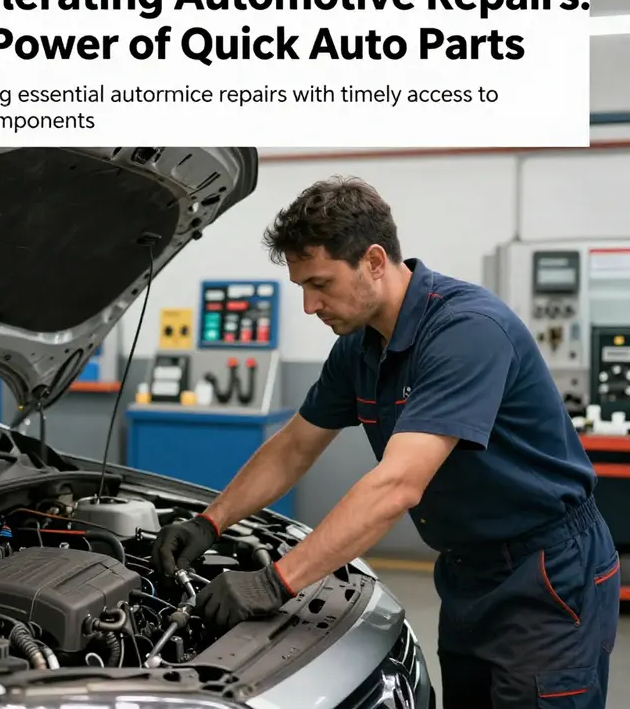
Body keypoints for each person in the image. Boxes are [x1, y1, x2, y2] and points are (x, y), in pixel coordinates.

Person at [150, 176, 620, 709]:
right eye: (302, 286)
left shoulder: (466, 331)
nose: (309, 305)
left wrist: (276, 581)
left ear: (374, 260)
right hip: (467, 570)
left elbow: (397, 485)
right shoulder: (360, 347)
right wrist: (210, 521)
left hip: (546, 574)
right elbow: (295, 445)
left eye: (321, 283)